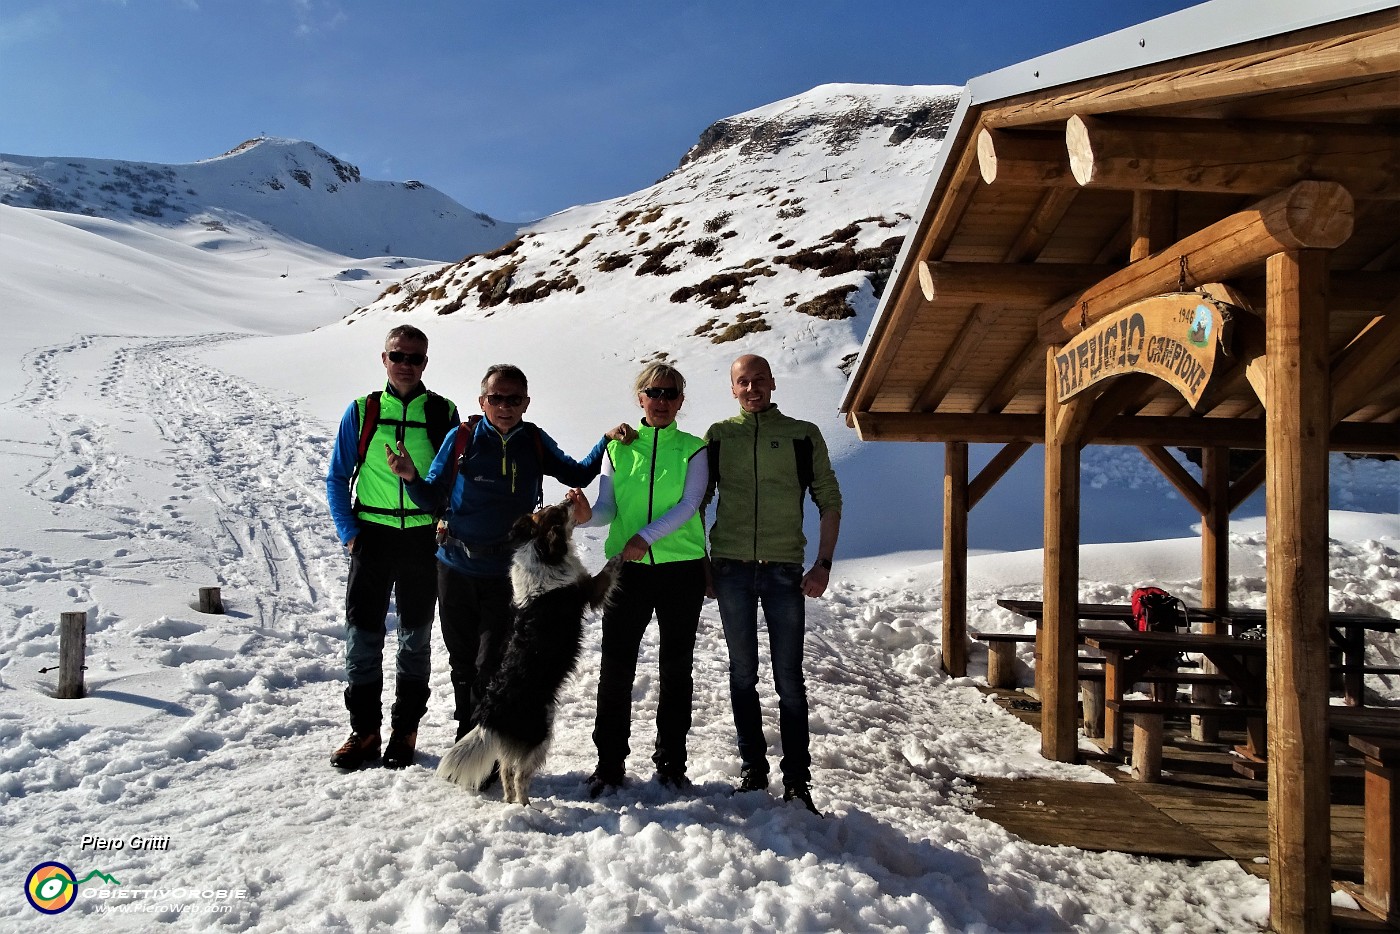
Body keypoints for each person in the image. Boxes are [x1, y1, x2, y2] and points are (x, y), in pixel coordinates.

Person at [387, 364, 633, 753]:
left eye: (514, 398)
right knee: (462, 661)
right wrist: (411, 478)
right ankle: (467, 735)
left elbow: (578, 472)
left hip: (509, 574)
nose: (505, 406)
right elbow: (432, 498)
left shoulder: (533, 441)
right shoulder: (462, 438)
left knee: (492, 662)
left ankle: (482, 740)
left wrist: (604, 440)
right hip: (455, 564)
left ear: (526, 402)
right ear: (482, 401)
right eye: (496, 398)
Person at [704, 354, 841, 814]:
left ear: (773, 383)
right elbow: (697, 500)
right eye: (742, 381)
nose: (751, 388)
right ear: (732, 388)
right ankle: (753, 771)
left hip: (784, 569)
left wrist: (823, 562)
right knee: (742, 674)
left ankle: (798, 782)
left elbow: (829, 497)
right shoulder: (720, 436)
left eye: (759, 380)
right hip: (731, 568)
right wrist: (706, 564)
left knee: (789, 680)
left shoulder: (802, 434)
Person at [325, 325, 458, 770]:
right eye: (398, 356)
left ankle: (405, 730)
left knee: (415, 639)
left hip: (423, 539)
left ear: (426, 363)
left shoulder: (442, 413)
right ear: (384, 359)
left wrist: (445, 524)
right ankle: (364, 732)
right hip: (373, 536)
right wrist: (349, 531)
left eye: (415, 358)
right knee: (362, 638)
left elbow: (452, 482)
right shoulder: (363, 411)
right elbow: (337, 477)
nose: (406, 365)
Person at [573, 363, 708, 798]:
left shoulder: (694, 448)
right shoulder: (618, 449)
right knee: (615, 668)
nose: (663, 400)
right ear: (640, 398)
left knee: (675, 669)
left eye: (671, 393)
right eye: (655, 392)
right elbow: (608, 508)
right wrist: (585, 518)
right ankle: (609, 764)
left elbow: (689, 505)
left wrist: (645, 538)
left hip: (681, 568)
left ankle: (671, 763)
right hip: (626, 569)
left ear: (681, 401)